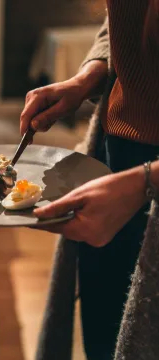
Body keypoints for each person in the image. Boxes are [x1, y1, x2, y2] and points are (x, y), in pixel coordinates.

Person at [20, 2, 159, 359]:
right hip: (116, 155)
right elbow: (125, 22)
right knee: (106, 332)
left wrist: (147, 181)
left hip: (145, 178)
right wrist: (86, 78)